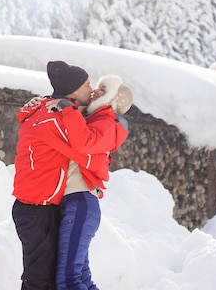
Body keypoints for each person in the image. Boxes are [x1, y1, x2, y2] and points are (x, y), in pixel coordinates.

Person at [12, 61, 129, 290]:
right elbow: (81, 145)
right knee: (45, 281)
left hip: (51, 205)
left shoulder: (60, 111)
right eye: (88, 85)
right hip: (38, 208)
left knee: (64, 278)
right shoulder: (55, 116)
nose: (92, 89)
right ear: (73, 90)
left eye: (98, 88)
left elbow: (86, 141)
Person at [56, 75, 132, 290]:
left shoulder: (107, 123)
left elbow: (83, 142)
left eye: (103, 90)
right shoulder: (95, 119)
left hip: (80, 203)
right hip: (77, 203)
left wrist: (66, 109)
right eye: (97, 87)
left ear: (111, 100)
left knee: (68, 281)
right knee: (80, 278)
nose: (95, 92)